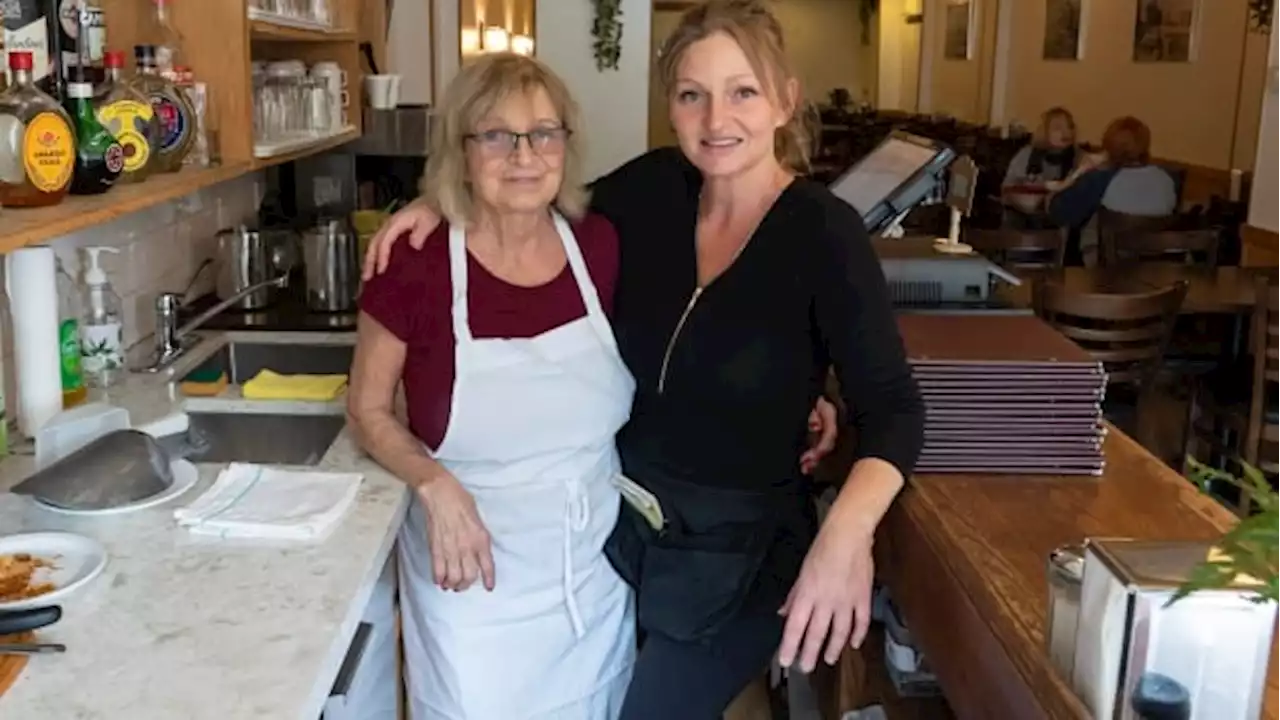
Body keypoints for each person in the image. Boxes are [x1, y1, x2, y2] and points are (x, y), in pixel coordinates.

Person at [362, 1, 924, 717]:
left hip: (745, 553)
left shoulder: (825, 234)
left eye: (742, 92)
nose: (717, 119)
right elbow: (528, 187)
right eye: (693, 95)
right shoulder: (653, 191)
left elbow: (897, 411)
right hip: (629, 538)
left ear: (785, 99)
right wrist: (435, 203)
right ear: (672, 107)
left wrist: (847, 535)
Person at [347, 54, 638, 719]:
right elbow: (365, 410)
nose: (525, 155)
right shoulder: (413, 263)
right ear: (461, 150)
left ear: (567, 144)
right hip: (469, 587)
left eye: (544, 132)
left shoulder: (601, 244)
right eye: (496, 135)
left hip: (589, 582)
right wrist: (432, 482)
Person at [1046, 115, 1177, 262]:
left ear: (1109, 147)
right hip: (1156, 271)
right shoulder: (1166, 180)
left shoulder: (1102, 179)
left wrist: (1079, 172)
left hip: (1104, 275)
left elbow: (1058, 213)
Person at [1002, 106, 1078, 191]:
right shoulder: (1027, 155)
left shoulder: (1078, 157)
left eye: (1069, 127)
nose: (1066, 133)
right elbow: (1008, 187)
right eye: (1057, 128)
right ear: (1045, 131)